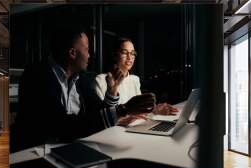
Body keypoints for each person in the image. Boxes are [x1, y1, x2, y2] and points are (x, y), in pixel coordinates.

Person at [11, 26, 156, 152]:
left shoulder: (81, 78)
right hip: (33, 152)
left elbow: (98, 112)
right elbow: (62, 126)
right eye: (86, 49)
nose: (89, 55)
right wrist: (123, 109)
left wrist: (112, 91)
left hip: (68, 148)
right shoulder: (37, 75)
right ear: (72, 53)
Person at [94, 38, 179, 125]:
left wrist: (154, 110)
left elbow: (140, 112)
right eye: (124, 52)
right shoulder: (101, 80)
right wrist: (123, 119)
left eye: (132, 53)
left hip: (134, 127)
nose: (130, 57)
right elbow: (101, 117)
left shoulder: (135, 79)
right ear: (115, 55)